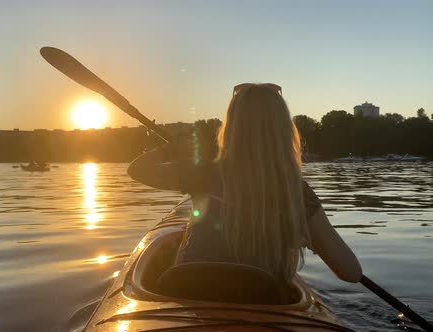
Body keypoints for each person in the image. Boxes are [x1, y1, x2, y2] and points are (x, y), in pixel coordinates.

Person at [127, 83, 362, 284]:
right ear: (283, 131)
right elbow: (352, 272)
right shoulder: (298, 193)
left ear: (231, 129)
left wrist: (170, 149)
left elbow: (136, 169)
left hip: (194, 302)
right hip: (263, 304)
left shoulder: (202, 174)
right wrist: (310, 237)